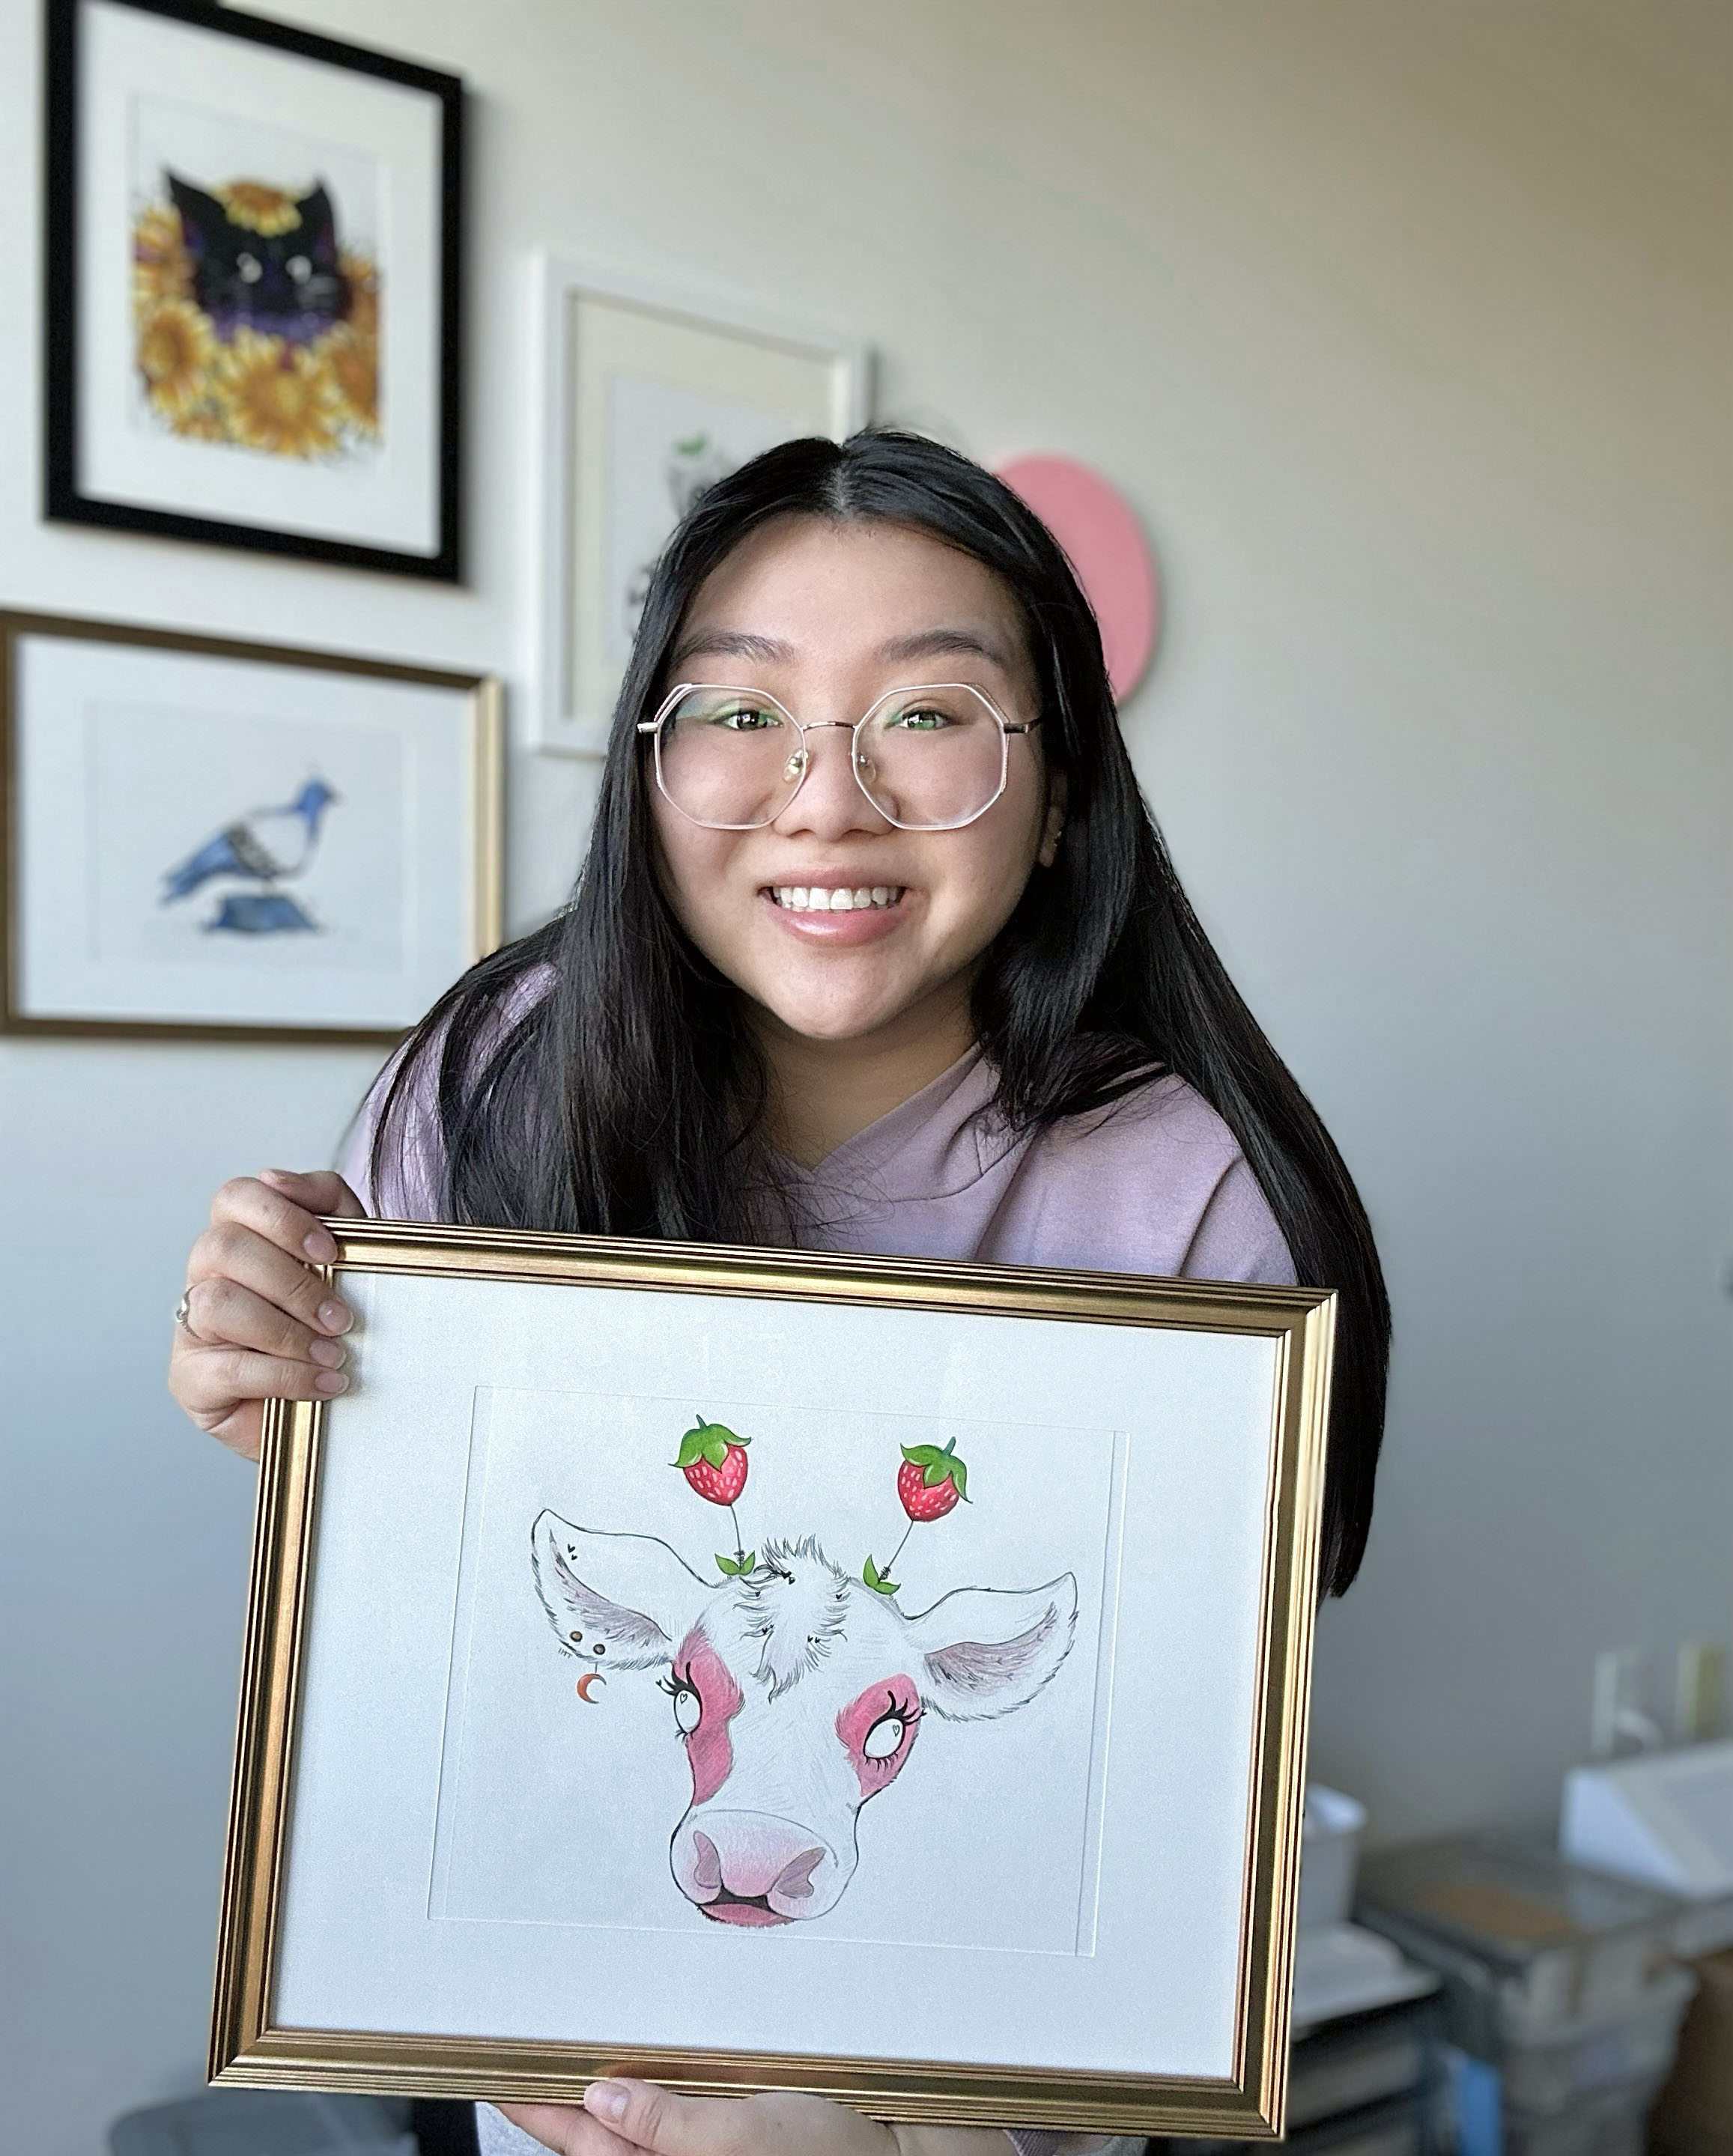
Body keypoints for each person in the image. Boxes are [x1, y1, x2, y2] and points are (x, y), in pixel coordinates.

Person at [169, 431, 1390, 2156]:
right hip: (542, 2070)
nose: (826, 797)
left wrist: (889, 2140)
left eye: (926, 711)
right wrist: (284, 1406)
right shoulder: (492, 1076)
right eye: (741, 712)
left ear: (1056, 801)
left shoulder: (1181, 1183)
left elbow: (1156, 1801)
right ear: (648, 777)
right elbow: (434, 1632)